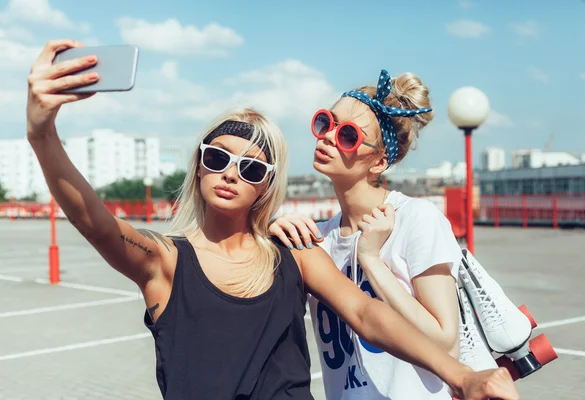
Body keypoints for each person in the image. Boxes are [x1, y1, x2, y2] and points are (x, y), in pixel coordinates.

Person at [26, 39, 519, 400]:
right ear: (198, 164)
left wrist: (464, 377)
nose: (230, 174)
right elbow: (95, 222)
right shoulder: (166, 261)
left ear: (267, 184)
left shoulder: (297, 255)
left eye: (252, 167)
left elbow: (368, 316)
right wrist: (42, 134)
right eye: (217, 158)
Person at [269, 69, 471, 399]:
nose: (329, 137)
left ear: (378, 162)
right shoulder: (316, 238)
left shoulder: (415, 219)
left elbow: (446, 346)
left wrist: (371, 260)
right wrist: (267, 233)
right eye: (326, 122)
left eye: (348, 135)